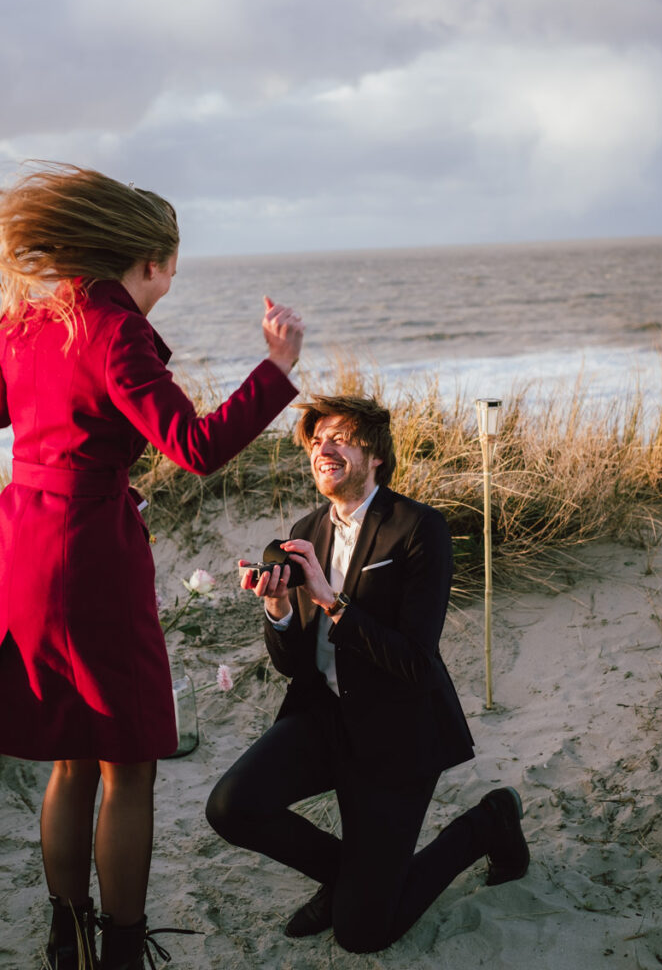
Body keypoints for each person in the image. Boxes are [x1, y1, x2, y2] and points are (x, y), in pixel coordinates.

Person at [0, 163, 303, 970]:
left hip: (23, 544)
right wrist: (273, 369)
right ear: (149, 263)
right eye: (172, 265)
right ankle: (123, 955)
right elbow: (194, 448)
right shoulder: (111, 327)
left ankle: (69, 941)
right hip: (87, 551)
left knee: (70, 756)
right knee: (128, 761)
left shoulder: (30, 323)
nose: (171, 279)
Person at [206, 394, 530, 954]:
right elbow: (292, 667)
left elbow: (416, 661)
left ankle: (489, 822)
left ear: (375, 454)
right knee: (230, 807)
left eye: (338, 437)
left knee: (362, 934)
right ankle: (347, 878)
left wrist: (334, 603)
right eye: (314, 441)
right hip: (327, 719)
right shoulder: (305, 531)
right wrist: (278, 611)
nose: (321, 449)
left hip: (398, 733)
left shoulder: (417, 528)